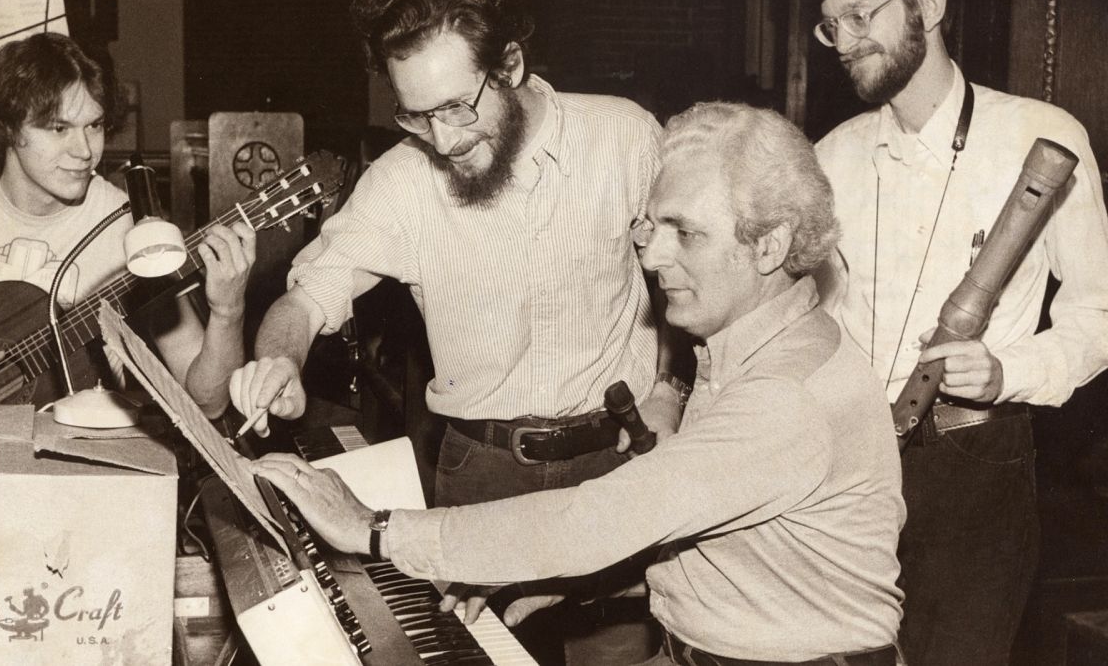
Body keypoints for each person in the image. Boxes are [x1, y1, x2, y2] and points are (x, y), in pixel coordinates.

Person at [250, 102, 906, 666]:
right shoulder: (745, 346)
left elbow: (598, 517)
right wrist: (574, 587)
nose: (651, 255)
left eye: (687, 232)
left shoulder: (787, 393)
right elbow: (741, 550)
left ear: (771, 245)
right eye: (652, 226)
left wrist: (371, 527)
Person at [228, 0, 683, 662]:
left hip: (617, 460)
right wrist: (279, 362)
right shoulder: (401, 183)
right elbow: (307, 297)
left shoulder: (624, 136)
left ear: (510, 65)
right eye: (415, 115)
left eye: (455, 108)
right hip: (481, 473)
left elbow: (687, 276)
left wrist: (669, 387)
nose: (443, 140)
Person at [812, 0, 1108, 663]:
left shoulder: (1043, 133)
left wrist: (1010, 371)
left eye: (862, 13)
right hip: (849, 465)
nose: (847, 39)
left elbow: (1099, 312)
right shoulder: (831, 156)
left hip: (975, 463)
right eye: (832, 26)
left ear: (932, 4)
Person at [0, 32, 253, 418]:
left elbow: (208, 402)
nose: (85, 151)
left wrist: (228, 312)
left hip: (90, 451)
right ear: (8, 127)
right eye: (59, 128)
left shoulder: (131, 226)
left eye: (94, 125)